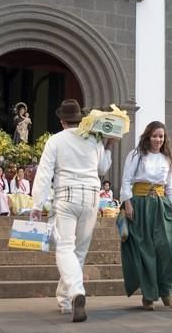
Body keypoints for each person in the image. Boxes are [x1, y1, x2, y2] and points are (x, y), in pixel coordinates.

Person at [30, 99, 115, 322]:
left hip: (66, 195)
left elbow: (44, 173)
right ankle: (66, 300)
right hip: (91, 196)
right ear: (79, 119)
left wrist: (37, 204)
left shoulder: (55, 140)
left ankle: (76, 292)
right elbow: (102, 168)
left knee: (64, 247)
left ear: (61, 120)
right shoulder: (93, 139)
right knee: (78, 250)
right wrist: (108, 147)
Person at [120, 121, 172, 310]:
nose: (158, 139)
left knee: (170, 248)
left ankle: (166, 291)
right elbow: (127, 180)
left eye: (161, 136)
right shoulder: (136, 155)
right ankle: (148, 295)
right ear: (148, 136)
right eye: (155, 136)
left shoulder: (168, 158)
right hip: (139, 204)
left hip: (161, 205)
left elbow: (171, 187)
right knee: (145, 249)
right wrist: (128, 202)